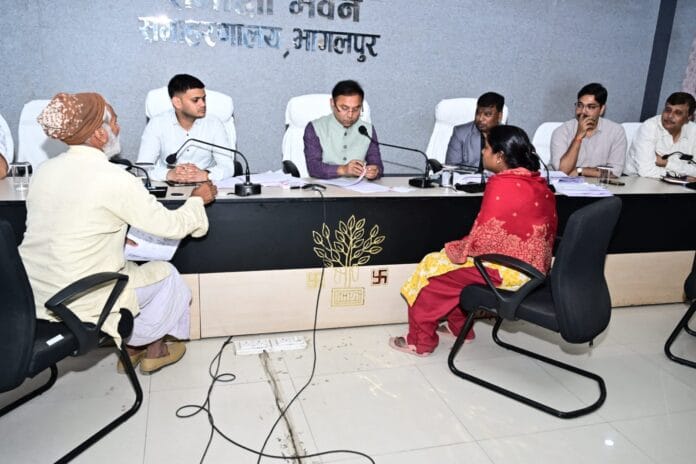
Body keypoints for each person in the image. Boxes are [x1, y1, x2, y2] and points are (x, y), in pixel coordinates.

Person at [20, 92, 218, 374]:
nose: (118, 127)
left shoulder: (44, 171)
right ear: (99, 135)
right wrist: (198, 200)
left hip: (33, 292)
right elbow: (171, 225)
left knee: (134, 267)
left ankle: (137, 347)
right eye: (114, 121)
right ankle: (148, 347)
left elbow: (66, 223)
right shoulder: (115, 178)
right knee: (167, 275)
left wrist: (114, 235)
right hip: (82, 296)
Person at [390, 125, 557, 356]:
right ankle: (460, 329)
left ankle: (420, 343)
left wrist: (457, 250)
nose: (482, 152)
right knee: (447, 264)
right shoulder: (538, 182)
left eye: (486, 147)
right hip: (533, 272)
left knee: (431, 274)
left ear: (499, 156)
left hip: (507, 270)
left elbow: (483, 239)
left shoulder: (502, 184)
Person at [137, 74, 235, 183]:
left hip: (206, 185)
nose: (203, 104)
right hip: (168, 185)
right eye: (195, 100)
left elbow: (228, 167)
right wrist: (168, 174)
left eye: (204, 99)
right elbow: (142, 169)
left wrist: (206, 174)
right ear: (177, 102)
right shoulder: (157, 124)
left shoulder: (214, 124)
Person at [304, 79, 383, 179]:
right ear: (332, 103)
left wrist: (375, 171)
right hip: (324, 186)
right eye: (344, 108)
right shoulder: (315, 128)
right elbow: (313, 168)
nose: (350, 115)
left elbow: (377, 164)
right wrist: (343, 170)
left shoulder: (367, 130)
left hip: (358, 187)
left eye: (356, 109)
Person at [550, 83, 627, 178]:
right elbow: (562, 172)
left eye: (591, 107)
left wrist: (579, 171)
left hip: (600, 186)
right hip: (565, 186)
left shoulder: (616, 131)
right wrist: (578, 137)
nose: (583, 111)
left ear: (602, 109)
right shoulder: (561, 131)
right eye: (580, 105)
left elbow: (615, 172)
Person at [625, 92, 696, 178]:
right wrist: (682, 176)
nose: (670, 116)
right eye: (668, 110)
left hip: (675, 184)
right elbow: (646, 171)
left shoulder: (693, 131)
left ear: (689, 117)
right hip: (635, 180)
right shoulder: (649, 127)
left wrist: (666, 163)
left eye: (678, 113)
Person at [445, 92, 505, 169]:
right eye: (478, 113)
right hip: (466, 177)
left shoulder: (507, 136)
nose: (480, 119)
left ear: (499, 116)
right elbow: (451, 168)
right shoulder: (460, 133)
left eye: (487, 114)